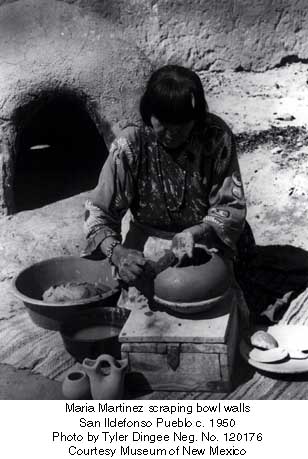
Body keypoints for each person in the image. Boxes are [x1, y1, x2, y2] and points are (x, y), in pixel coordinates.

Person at [83, 65, 254, 287]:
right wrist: (118, 254)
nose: (171, 134)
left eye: (181, 126)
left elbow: (231, 207)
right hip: (147, 244)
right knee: (140, 302)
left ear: (196, 117)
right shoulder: (131, 144)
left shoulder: (215, 138)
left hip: (206, 239)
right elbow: (97, 213)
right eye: (162, 123)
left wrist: (196, 232)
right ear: (149, 114)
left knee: (215, 293)